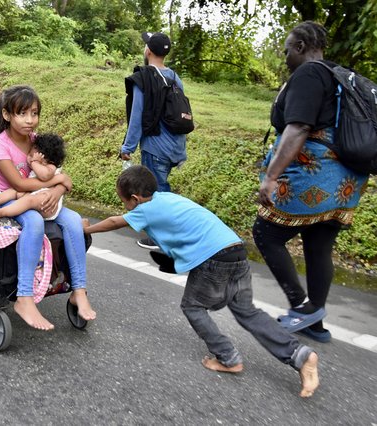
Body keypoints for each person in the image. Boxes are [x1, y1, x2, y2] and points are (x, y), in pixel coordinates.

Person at [83, 165, 320, 398]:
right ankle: (301, 356)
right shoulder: (167, 198)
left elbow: (116, 222)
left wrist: (86, 230)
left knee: (193, 307)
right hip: (235, 249)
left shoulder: (145, 209)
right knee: (247, 311)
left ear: (134, 198)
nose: (125, 207)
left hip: (214, 259)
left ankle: (228, 358)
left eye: (124, 201)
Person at [254, 21, 369, 343]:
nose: (286, 55)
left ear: (302, 47)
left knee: (266, 233)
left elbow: (298, 128)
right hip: (347, 182)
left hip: (314, 176)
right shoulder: (339, 75)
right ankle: (315, 323)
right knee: (319, 245)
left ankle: (302, 308)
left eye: (288, 49)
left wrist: (271, 177)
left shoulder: (309, 73)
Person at [0, 85, 96, 331]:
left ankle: (79, 289)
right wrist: (56, 182)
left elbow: (63, 178)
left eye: (34, 113)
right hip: (7, 197)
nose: (30, 120)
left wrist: (56, 190)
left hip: (40, 196)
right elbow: (18, 182)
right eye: (22, 114)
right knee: (34, 221)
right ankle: (24, 298)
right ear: (6, 115)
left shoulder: (38, 142)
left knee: (73, 219)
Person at [121, 31, 187, 250]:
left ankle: (164, 238)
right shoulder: (174, 77)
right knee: (162, 188)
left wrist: (127, 147)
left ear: (148, 51)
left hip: (156, 146)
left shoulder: (145, 77)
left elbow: (136, 116)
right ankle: (166, 234)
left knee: (157, 193)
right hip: (175, 146)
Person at [0, 132, 66, 221]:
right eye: (29, 155)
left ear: (47, 160)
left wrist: (35, 162)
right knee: (14, 190)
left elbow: (44, 176)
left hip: (47, 203)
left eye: (33, 157)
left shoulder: (51, 167)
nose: (29, 159)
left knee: (29, 201)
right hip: (34, 194)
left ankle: (2, 212)